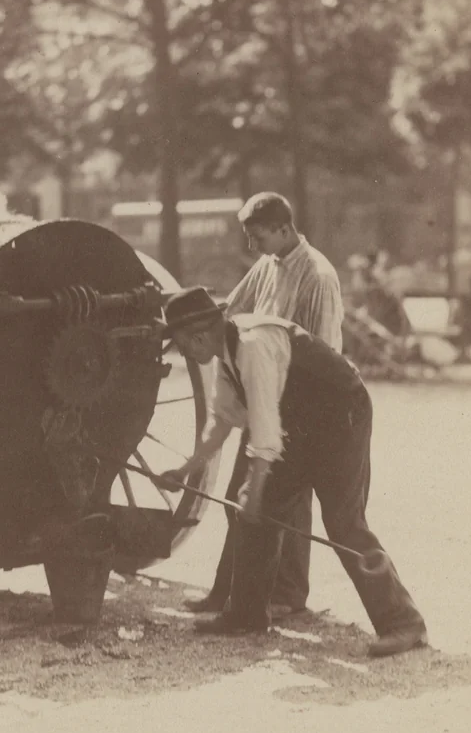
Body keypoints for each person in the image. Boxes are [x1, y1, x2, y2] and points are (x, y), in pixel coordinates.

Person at [160, 287, 429, 658]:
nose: (183, 353)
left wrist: (254, 497)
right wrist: (185, 468)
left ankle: (403, 623)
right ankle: (247, 614)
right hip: (301, 423)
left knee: (342, 522)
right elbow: (222, 422)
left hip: (341, 414)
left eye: (181, 345)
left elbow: (265, 435)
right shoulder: (226, 352)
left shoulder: (252, 346)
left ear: (199, 336)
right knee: (257, 511)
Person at [184, 192, 344, 620]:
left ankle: (288, 593)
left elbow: (325, 353)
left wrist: (298, 417)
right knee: (240, 499)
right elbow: (231, 312)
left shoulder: (319, 275)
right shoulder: (266, 266)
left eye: (257, 237)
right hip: (263, 393)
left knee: (284, 504)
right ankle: (227, 592)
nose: (251, 246)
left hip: (301, 402)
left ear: (283, 229)